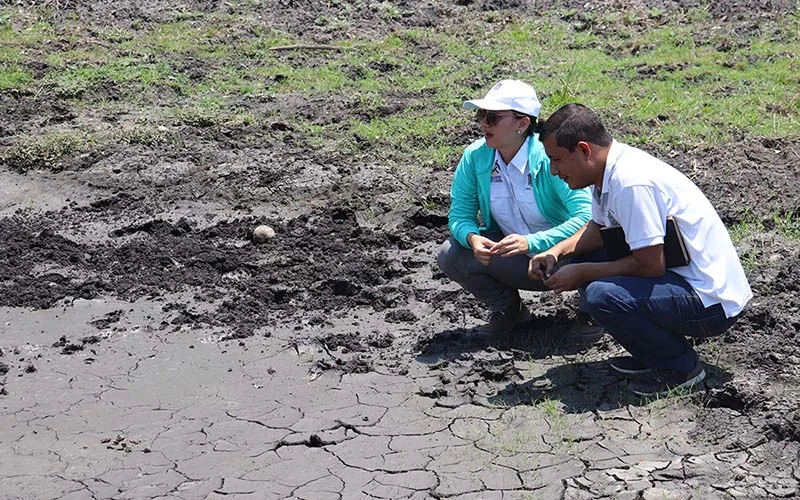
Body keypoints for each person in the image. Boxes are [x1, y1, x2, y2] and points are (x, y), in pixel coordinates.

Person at [529, 103, 753, 397]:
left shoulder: (630, 182)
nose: (554, 171)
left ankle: (681, 368)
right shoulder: (606, 172)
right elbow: (596, 229)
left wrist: (582, 272)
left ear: (584, 150)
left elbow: (650, 266)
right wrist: (556, 252)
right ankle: (654, 353)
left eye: (556, 160)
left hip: (710, 300)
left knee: (602, 294)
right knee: (582, 257)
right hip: (681, 280)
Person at [437, 80, 592, 334]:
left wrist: (533, 242)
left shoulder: (551, 158)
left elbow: (586, 216)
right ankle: (510, 312)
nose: (483, 124)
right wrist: (472, 238)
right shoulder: (475, 157)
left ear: (523, 124)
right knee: (451, 254)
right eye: (481, 115)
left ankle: (591, 314)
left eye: (493, 117)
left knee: (596, 243)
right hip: (517, 262)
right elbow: (459, 214)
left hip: (565, 260)